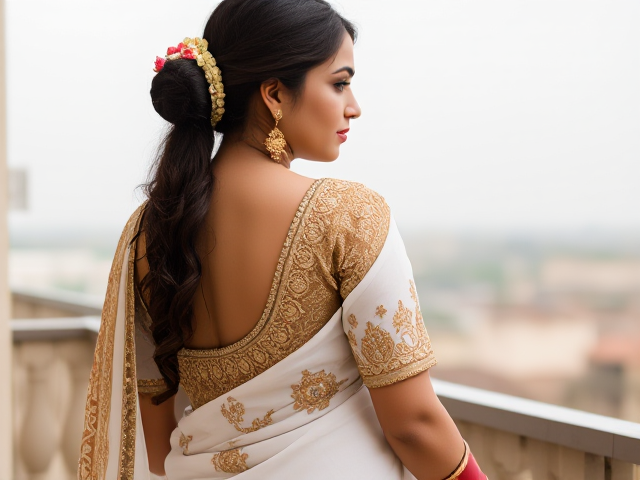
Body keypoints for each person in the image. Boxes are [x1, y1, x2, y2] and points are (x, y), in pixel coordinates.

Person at [78, 1, 488, 479]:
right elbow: (414, 425)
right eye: (339, 83)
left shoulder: (150, 231)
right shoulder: (348, 218)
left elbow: (154, 432)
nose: (354, 107)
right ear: (273, 93)